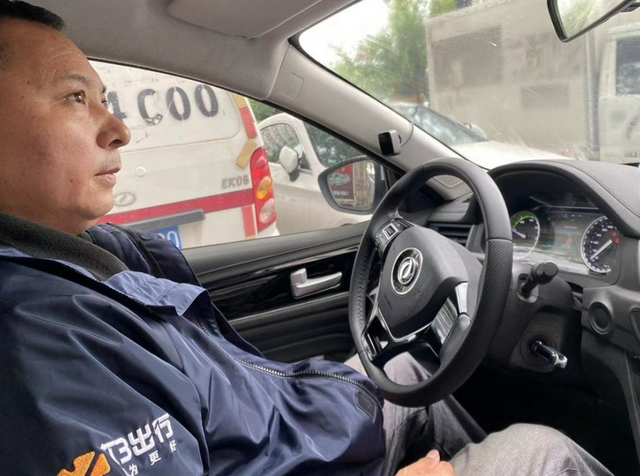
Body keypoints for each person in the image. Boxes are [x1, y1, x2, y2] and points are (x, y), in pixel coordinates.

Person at [0, 2, 615, 475]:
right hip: (292, 453)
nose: (119, 129)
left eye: (104, 99)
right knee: (540, 449)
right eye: (75, 98)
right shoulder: (38, 344)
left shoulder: (82, 258)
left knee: (410, 369)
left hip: (290, 437)